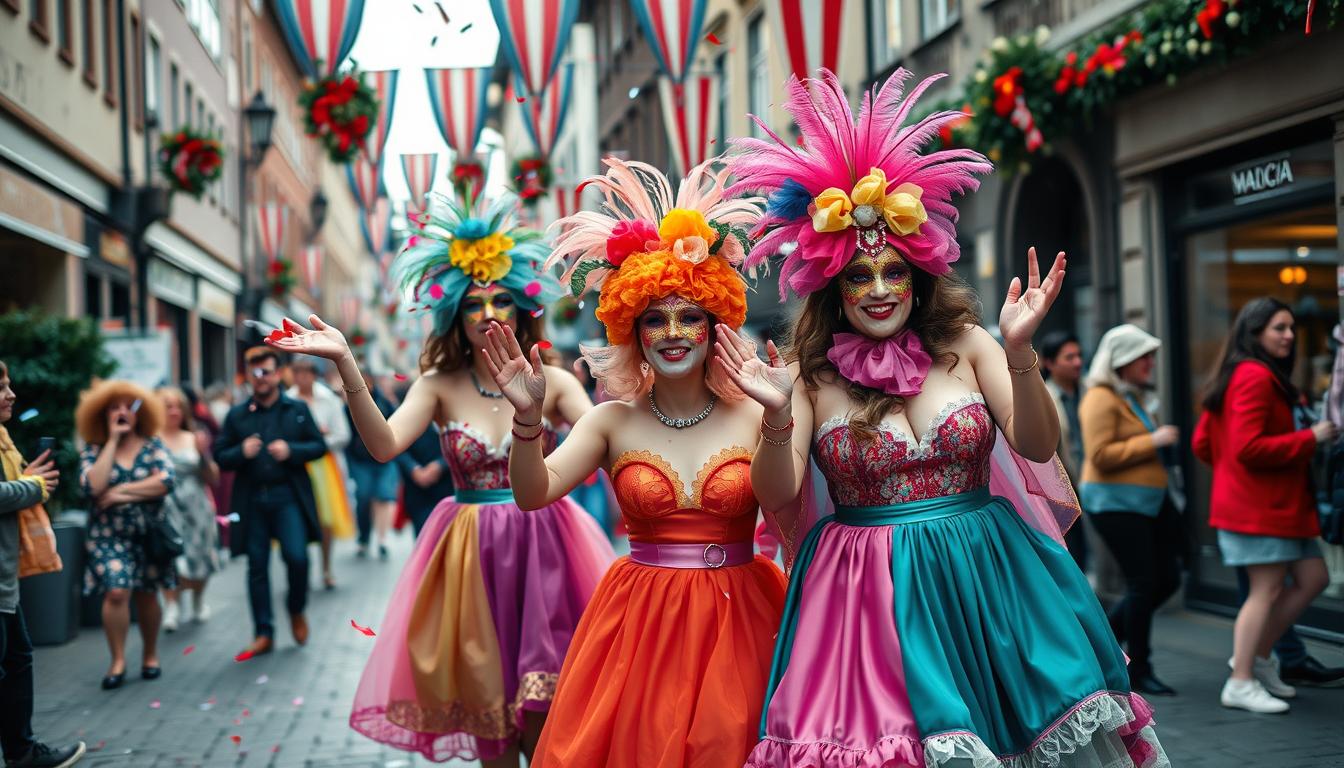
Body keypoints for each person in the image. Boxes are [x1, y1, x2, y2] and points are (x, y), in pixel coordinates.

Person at [722, 68, 1166, 767]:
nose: (877, 290)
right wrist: (777, 418)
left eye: (893, 272)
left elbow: (1037, 442)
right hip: (866, 600)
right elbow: (775, 495)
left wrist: (1021, 354)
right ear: (833, 287)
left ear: (919, 273)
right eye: (858, 277)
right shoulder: (809, 376)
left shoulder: (969, 346)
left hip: (990, 577)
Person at [269, 190, 614, 768]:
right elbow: (382, 446)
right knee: (489, 724)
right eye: (474, 303)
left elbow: (610, 438)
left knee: (547, 724)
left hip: (546, 551)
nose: (488, 314)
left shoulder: (552, 382)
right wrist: (348, 364)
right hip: (469, 560)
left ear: (523, 307)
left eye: (501, 299)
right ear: (455, 311)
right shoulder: (436, 383)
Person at [484, 158, 787, 768]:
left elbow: (783, 500)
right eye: (655, 318)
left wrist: (779, 417)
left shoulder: (756, 414)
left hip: (744, 619)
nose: (673, 331)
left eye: (690, 316)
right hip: (642, 623)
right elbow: (533, 492)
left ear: (714, 324)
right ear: (633, 329)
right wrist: (526, 422)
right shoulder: (610, 421)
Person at [1193, 297, 1339, 712]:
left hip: (1270, 506)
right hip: (1260, 509)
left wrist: (1233, 478)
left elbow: (1204, 443)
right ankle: (1240, 679)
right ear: (1255, 332)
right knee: (1266, 590)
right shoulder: (1254, 376)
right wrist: (1311, 438)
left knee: (1313, 577)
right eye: (1279, 327)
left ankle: (1254, 659)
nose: (1289, 335)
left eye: (1291, 327)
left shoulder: (1240, 374)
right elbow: (1248, 448)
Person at [1077, 324, 1184, 698]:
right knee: (1144, 583)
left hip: (1147, 504)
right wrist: (1152, 439)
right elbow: (1100, 456)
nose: (1151, 363)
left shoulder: (1127, 395)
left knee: (1165, 580)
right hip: (1117, 505)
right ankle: (1139, 668)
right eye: (1144, 356)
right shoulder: (1100, 398)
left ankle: (1104, 642)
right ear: (1121, 361)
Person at [214, 348, 327, 659]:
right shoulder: (237, 415)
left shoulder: (297, 409)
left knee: (297, 558)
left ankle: (296, 609)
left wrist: (292, 450)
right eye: (255, 373)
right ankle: (263, 632)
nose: (260, 379)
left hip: (287, 495)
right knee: (257, 567)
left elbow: (319, 445)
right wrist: (241, 452)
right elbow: (220, 456)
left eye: (266, 372)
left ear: (278, 374)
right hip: (252, 499)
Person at [0, 361, 86, 768]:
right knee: (12, 661)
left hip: (5, 576)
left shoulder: (3, 439)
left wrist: (26, 480)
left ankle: (21, 752)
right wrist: (30, 486)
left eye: (9, 385)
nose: (11, 394)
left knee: (17, 659)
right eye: (1, 387)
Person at [75, 381, 175, 690]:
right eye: (113, 407)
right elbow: (93, 487)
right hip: (108, 536)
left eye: (127, 406)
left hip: (149, 535)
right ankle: (117, 659)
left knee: (147, 592)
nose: (121, 412)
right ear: (102, 414)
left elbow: (165, 481)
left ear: (139, 412)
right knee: (116, 591)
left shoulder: (153, 445)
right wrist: (112, 442)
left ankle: (149, 653)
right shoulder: (93, 451)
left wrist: (121, 493)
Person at [155, 387, 220, 631]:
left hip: (197, 506)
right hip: (166, 507)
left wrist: (203, 454)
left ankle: (198, 599)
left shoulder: (195, 437)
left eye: (177, 406)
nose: (173, 411)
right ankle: (171, 605)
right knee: (170, 556)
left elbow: (213, 477)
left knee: (200, 557)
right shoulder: (151, 441)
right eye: (167, 406)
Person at [287, 358, 354, 587]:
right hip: (296, 464)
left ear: (314, 375)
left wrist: (320, 440)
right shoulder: (288, 399)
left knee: (326, 519)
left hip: (325, 465)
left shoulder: (329, 400)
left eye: (306, 373)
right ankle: (302, 567)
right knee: (299, 516)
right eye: (298, 373)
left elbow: (343, 435)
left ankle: (326, 567)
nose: (302, 378)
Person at [1042, 330, 1090, 569]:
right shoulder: (1045, 397)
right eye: (1069, 357)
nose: (1078, 362)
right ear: (1049, 363)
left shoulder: (1091, 391)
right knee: (1076, 552)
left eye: (1079, 356)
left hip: (1093, 480)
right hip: (1067, 488)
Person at [391, 382, 454, 537]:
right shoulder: (409, 418)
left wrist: (440, 465)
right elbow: (397, 448)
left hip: (448, 488)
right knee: (422, 536)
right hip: (417, 490)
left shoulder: (453, 416)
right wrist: (414, 469)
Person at [344, 374, 396, 560]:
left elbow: (395, 427)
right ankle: (364, 537)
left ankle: (382, 539)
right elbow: (345, 435)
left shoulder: (383, 403)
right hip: (360, 461)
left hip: (384, 460)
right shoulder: (347, 406)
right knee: (364, 496)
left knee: (384, 496)